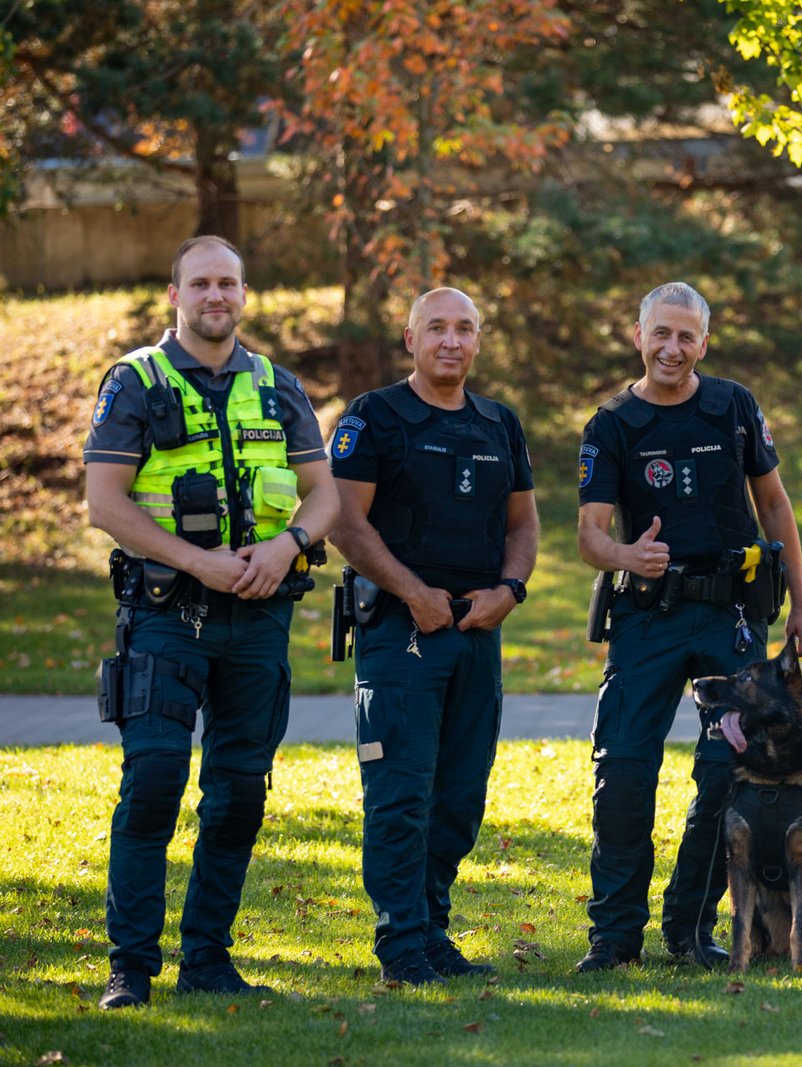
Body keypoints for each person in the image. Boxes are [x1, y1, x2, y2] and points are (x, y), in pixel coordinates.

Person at [84, 235, 340, 1009]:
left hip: (259, 621)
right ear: (176, 295)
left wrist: (288, 544)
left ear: (244, 293)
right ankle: (130, 965)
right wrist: (198, 562)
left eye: (228, 282)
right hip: (166, 617)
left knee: (238, 792)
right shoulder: (136, 381)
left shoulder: (277, 385)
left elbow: (322, 495)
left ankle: (208, 958)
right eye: (201, 284)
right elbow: (105, 503)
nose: (216, 296)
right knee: (155, 780)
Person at [574, 281, 802, 972]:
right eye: (662, 333)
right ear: (640, 335)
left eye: (687, 336)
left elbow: (774, 504)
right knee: (622, 775)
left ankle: (689, 925)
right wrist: (627, 555)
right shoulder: (612, 423)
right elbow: (590, 533)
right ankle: (614, 937)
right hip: (647, 618)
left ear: (703, 343)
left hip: (730, 614)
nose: (672, 348)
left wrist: (800, 603)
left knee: (727, 776)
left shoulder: (732, 406)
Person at [329, 287, 539, 986]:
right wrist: (413, 592)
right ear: (410, 337)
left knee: (459, 795)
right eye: (437, 328)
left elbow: (523, 525)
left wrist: (509, 591)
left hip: (476, 633)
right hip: (400, 632)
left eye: (465, 329)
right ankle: (400, 941)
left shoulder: (498, 422)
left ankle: (433, 928)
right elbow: (345, 523)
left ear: (478, 341)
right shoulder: (374, 417)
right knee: (401, 791)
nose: (452, 340)